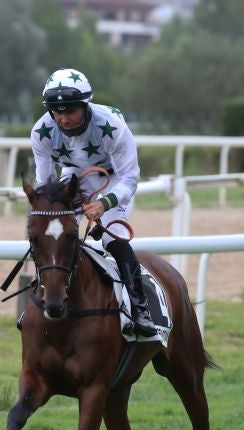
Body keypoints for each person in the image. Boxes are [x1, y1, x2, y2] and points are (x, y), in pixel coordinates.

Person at [29, 67, 157, 337]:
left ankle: (139, 307)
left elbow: (131, 177)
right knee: (55, 237)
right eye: (56, 111)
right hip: (73, 181)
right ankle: (44, 299)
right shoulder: (41, 131)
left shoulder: (111, 126)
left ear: (85, 105)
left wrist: (105, 204)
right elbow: (45, 184)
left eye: (70, 111)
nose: (62, 118)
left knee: (113, 239)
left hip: (114, 181)